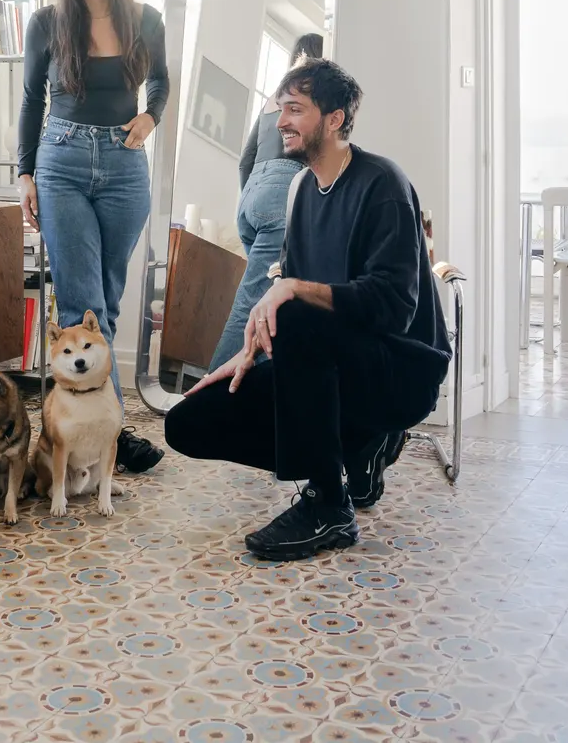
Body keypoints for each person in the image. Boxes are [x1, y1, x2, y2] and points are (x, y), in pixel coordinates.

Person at [164, 58, 450, 561]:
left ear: (334, 118)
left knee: (296, 310)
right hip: (328, 365)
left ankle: (329, 504)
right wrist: (249, 354)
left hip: (401, 370)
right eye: (281, 109)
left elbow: (392, 308)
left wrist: (292, 290)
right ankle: (358, 450)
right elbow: (290, 296)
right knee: (189, 422)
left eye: (295, 109)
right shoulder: (299, 189)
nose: (281, 122)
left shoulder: (383, 183)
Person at [18, 0, 169, 475]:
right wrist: (25, 173)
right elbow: (31, 100)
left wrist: (151, 117)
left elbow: (161, 81)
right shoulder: (47, 22)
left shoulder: (145, 19)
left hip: (125, 165)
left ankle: (88, 427)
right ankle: (114, 433)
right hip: (62, 162)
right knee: (83, 300)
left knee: (106, 297)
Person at [212, 31, 326, 370]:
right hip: (284, 189)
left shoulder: (273, 99)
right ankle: (212, 392)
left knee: (273, 301)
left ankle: (257, 389)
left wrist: (253, 201)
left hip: (252, 194)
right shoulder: (313, 94)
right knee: (253, 304)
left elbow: (245, 160)